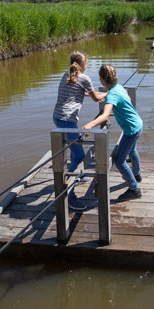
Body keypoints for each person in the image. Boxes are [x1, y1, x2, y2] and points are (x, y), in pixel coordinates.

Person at [53, 51, 105, 210]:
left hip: (57, 117)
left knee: (75, 151)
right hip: (68, 121)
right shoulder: (84, 78)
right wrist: (108, 93)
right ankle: (69, 193)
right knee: (81, 155)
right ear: (82, 64)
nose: (87, 64)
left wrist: (98, 94)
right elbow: (96, 98)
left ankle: (77, 175)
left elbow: (79, 92)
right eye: (86, 62)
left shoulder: (66, 75)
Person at [83, 64, 143, 202]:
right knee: (132, 150)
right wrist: (87, 94)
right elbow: (121, 98)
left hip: (131, 130)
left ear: (102, 80)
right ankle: (137, 175)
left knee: (119, 160)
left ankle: (135, 189)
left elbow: (105, 116)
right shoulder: (118, 88)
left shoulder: (112, 94)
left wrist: (90, 125)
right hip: (137, 124)